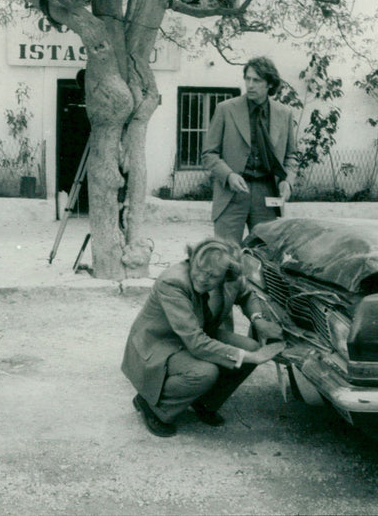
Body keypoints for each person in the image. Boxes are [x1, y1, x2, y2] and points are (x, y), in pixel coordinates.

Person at [121, 238, 285, 437]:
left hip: (197, 333)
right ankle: (153, 406)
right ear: (193, 258)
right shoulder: (173, 282)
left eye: (211, 276)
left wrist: (258, 320)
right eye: (198, 268)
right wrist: (254, 358)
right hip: (160, 343)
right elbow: (196, 343)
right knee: (204, 372)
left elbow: (247, 295)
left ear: (226, 275)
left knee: (250, 347)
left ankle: (204, 402)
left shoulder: (231, 278)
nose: (201, 277)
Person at [201, 56, 299, 242]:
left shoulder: (284, 114)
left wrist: (287, 180)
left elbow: (291, 156)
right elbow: (209, 153)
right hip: (232, 194)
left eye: (257, 80)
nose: (250, 85)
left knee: (264, 256)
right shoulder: (226, 109)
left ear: (270, 84)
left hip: (267, 195)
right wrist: (228, 175)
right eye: (248, 79)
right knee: (225, 257)